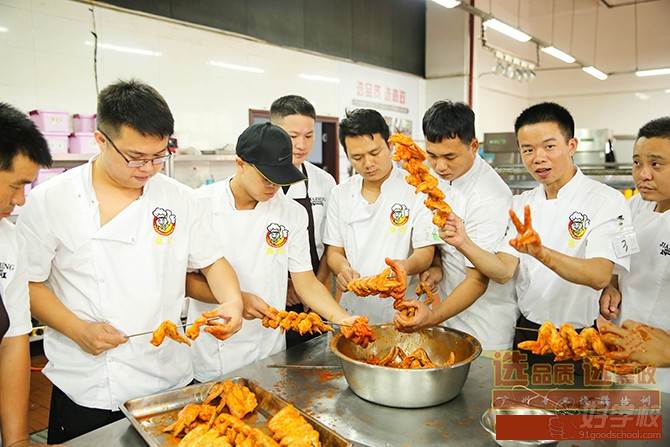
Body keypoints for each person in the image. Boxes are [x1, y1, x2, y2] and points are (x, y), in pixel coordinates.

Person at [17, 80, 243, 443]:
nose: (149, 169)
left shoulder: (179, 199)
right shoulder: (51, 201)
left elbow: (214, 262)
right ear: (101, 141)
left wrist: (232, 301)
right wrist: (77, 330)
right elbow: (28, 282)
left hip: (167, 381)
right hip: (86, 385)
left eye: (159, 156)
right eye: (136, 158)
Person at [440, 102, 632, 367]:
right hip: (528, 332)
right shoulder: (522, 204)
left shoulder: (605, 200)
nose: (538, 157)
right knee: (524, 406)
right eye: (528, 150)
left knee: (578, 406)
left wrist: (541, 252)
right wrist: (464, 242)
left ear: (571, 145)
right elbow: (503, 270)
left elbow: (599, 275)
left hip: (580, 337)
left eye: (549, 146)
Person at [186, 122, 356, 381]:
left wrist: (342, 319)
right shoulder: (198, 205)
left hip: (268, 350)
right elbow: (185, 281)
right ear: (240, 164)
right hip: (213, 352)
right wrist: (237, 300)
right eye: (266, 178)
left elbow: (306, 282)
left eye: (279, 180)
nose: (273, 187)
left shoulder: (291, 213)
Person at [394, 101, 517, 350]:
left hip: (485, 326)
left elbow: (478, 281)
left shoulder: (489, 196)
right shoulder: (437, 179)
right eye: (432, 155)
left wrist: (431, 318)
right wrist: (437, 266)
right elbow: (437, 236)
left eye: (450, 156)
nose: (440, 166)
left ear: (473, 146)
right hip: (448, 314)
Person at [324, 109, 439, 323]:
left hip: (401, 307)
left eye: (374, 153)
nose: (367, 164)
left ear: (390, 146)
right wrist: (343, 269)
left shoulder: (416, 188)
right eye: (357, 157)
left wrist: (404, 268)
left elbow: (425, 253)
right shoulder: (340, 194)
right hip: (353, 309)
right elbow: (334, 251)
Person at [599, 117, 670, 390]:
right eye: (637, 162)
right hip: (622, 344)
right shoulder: (635, 206)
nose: (643, 174)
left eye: (656, 164)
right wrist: (612, 283)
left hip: (663, 367)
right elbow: (620, 256)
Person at [0, 103, 56, 447]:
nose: (20, 200)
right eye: (15, 186)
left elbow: (13, 343)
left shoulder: (9, 240)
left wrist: (18, 439)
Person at [269, 95, 337, 347]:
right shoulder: (259, 184)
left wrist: (315, 285)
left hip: (313, 293)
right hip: (271, 294)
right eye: (292, 135)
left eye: (309, 136)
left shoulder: (324, 181)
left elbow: (331, 241)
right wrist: (284, 285)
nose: (301, 144)